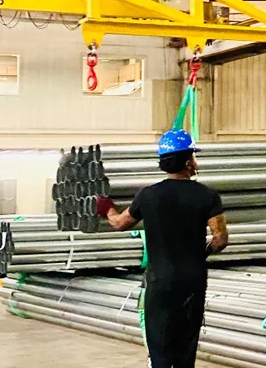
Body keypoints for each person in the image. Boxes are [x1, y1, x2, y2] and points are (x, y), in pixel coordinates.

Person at [96, 129, 228, 368]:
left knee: (160, 342)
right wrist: (200, 251)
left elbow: (119, 223)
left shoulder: (148, 195)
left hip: (160, 280)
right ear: (188, 162)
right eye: (194, 157)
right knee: (186, 343)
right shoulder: (207, 195)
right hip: (193, 279)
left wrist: (105, 207)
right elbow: (220, 239)